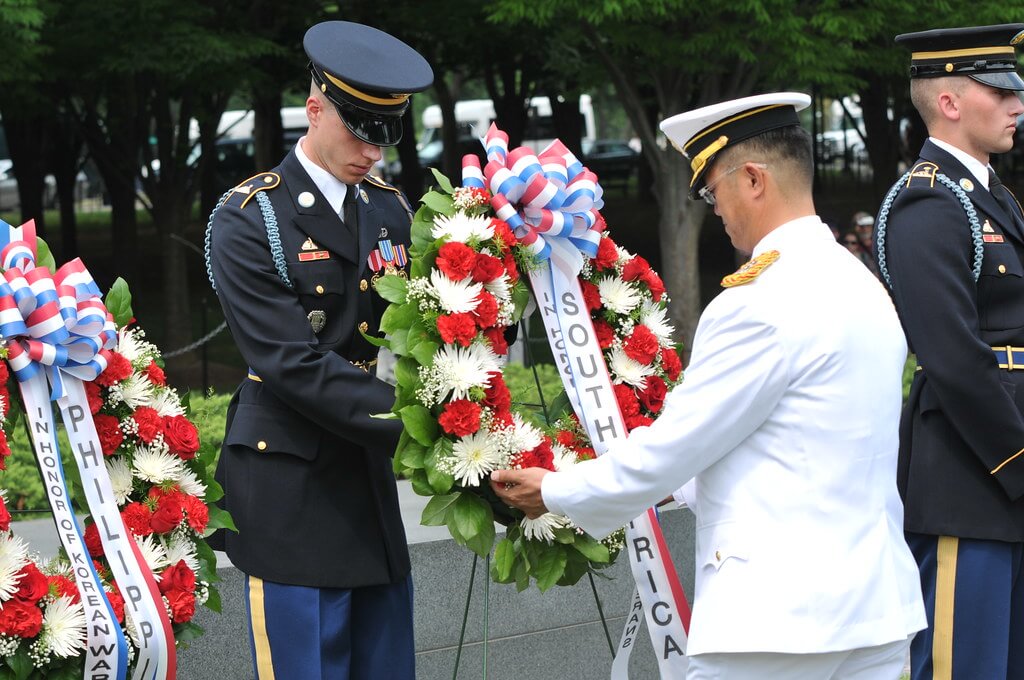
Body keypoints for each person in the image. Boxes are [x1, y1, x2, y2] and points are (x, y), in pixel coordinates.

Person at [492, 92, 925, 679]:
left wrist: (558, 490)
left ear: (752, 179)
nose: (710, 205)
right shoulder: (863, 283)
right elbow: (794, 446)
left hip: (775, 623)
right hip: (874, 612)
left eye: (711, 187)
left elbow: (674, 449)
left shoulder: (757, 302)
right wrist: (682, 487)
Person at [205, 20, 432, 680]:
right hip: (290, 497)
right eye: (358, 130)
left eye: (384, 135)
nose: (372, 151)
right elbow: (291, 361)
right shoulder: (250, 216)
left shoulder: (390, 210)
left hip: (365, 488)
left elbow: (424, 330)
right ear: (314, 108)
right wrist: (427, 432)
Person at [877, 24, 1024, 679]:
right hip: (974, 477)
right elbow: (955, 359)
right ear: (951, 103)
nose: (1017, 104)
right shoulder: (930, 203)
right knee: (964, 667)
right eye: (1000, 91)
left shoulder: (993, 199)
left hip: (1007, 485)